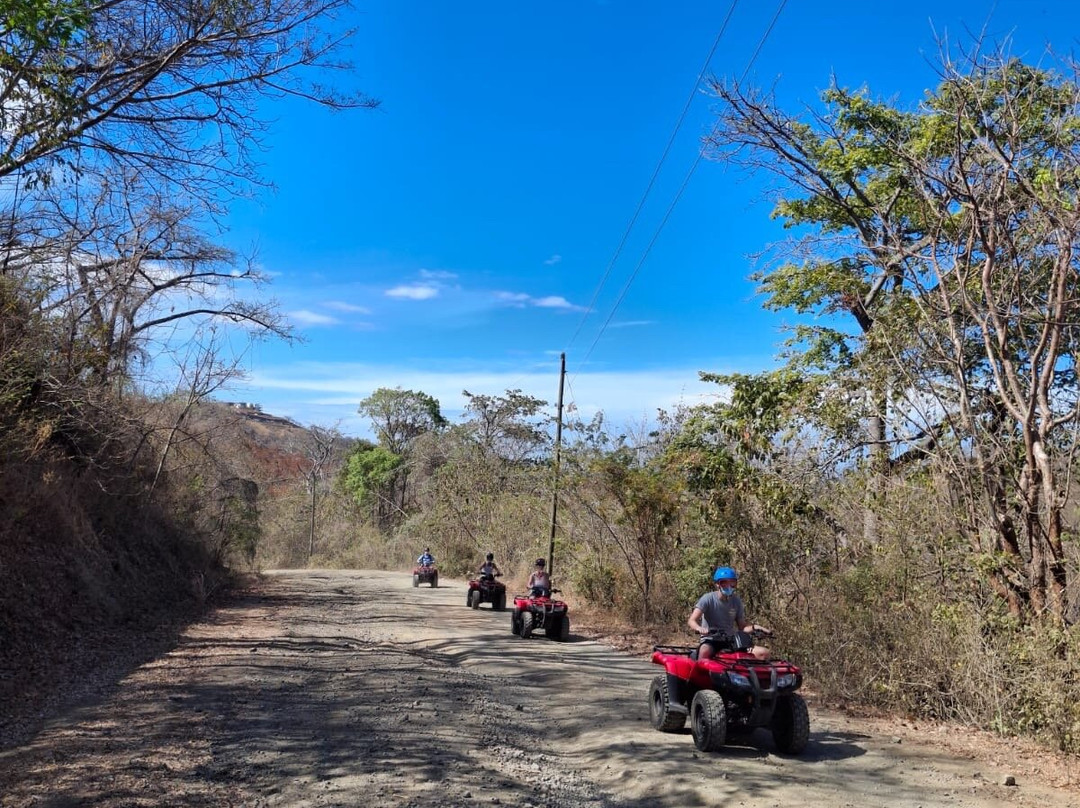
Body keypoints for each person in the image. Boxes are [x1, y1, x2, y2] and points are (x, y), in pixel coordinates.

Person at [687, 566, 771, 661]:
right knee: (705, 651)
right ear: (718, 584)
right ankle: (699, 674)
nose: (728, 586)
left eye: (732, 582)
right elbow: (692, 620)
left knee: (763, 653)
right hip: (711, 640)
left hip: (731, 640)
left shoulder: (736, 601)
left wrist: (756, 628)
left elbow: (742, 627)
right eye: (724, 582)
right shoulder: (708, 598)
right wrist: (699, 628)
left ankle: (751, 675)